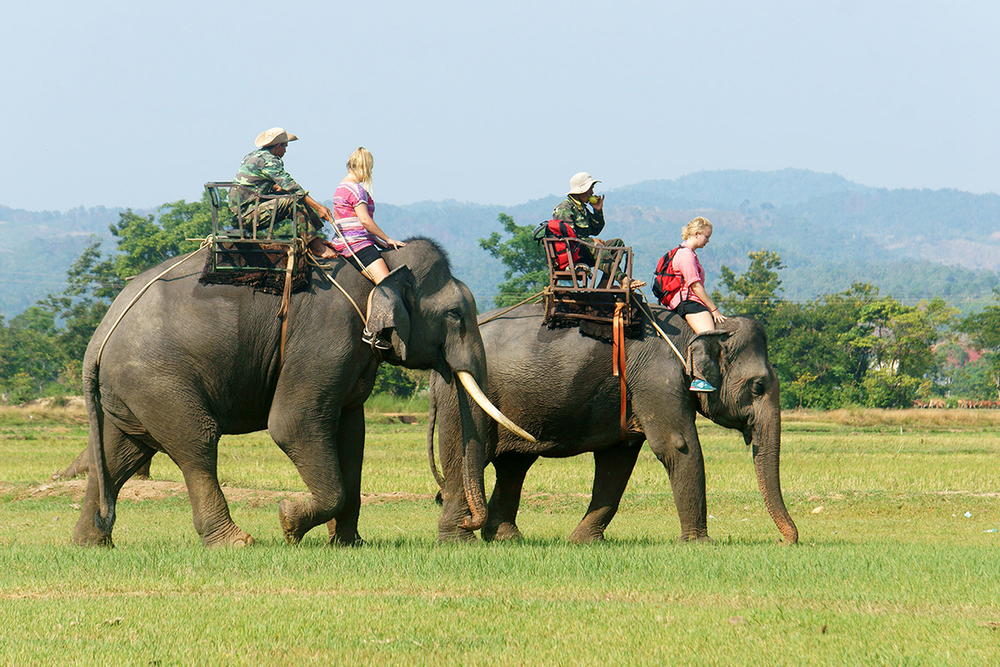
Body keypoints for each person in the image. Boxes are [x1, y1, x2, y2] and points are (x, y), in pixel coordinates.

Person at [329, 147, 406, 349]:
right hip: (357, 245)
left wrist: (378, 242)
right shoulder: (356, 190)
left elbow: (352, 220)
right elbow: (364, 220)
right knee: (387, 283)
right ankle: (371, 332)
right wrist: (387, 238)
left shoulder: (341, 188)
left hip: (351, 240)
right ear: (364, 167)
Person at [229, 127, 334, 257]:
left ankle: (314, 238)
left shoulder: (253, 156)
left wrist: (274, 187)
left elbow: (253, 180)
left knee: (291, 196)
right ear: (279, 146)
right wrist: (319, 207)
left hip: (244, 210)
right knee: (292, 200)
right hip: (247, 215)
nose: (285, 150)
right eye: (285, 147)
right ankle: (316, 246)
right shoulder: (270, 161)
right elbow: (293, 187)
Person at [663, 216, 726, 392]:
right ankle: (698, 378)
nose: (708, 240)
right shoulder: (685, 255)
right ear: (696, 234)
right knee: (708, 335)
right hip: (689, 302)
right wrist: (713, 309)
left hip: (690, 301)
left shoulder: (687, 253)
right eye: (707, 236)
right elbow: (695, 285)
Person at [551, 172, 645, 289]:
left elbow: (596, 230)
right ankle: (623, 279)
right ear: (581, 191)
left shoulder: (582, 208)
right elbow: (570, 238)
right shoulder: (564, 209)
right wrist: (591, 241)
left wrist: (597, 211)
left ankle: (604, 285)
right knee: (596, 245)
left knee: (617, 244)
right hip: (574, 253)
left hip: (586, 250)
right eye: (590, 189)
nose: (592, 193)